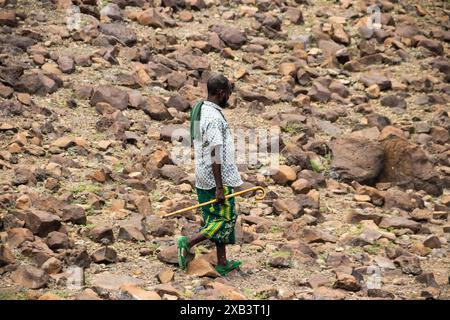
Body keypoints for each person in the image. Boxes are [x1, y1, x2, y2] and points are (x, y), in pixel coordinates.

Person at [176, 74, 243, 276]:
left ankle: (222, 262)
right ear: (220, 93)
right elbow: (215, 151)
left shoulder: (201, 108)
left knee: (214, 217)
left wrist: (231, 84)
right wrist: (220, 187)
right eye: (228, 94)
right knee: (226, 218)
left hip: (203, 174)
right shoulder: (213, 118)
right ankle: (188, 242)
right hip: (215, 178)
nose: (229, 98)